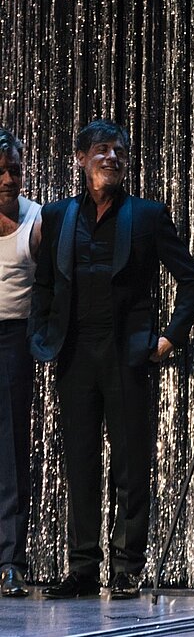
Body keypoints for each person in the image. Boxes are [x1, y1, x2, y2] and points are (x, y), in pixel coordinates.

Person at [29, 119, 194, 600]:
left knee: (130, 463)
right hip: (74, 352)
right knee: (80, 462)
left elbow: (191, 279)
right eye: (102, 150)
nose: (112, 158)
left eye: (120, 151)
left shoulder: (146, 215)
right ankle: (83, 568)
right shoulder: (58, 215)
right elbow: (44, 284)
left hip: (126, 352)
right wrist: (42, 334)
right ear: (81, 159)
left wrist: (170, 337)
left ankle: (127, 566)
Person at [0, 129, 41, 597]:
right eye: (1, 172)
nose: (8, 179)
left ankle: (10, 562)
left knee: (10, 454)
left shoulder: (36, 219)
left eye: (14, 170)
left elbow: (53, 286)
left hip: (13, 339)